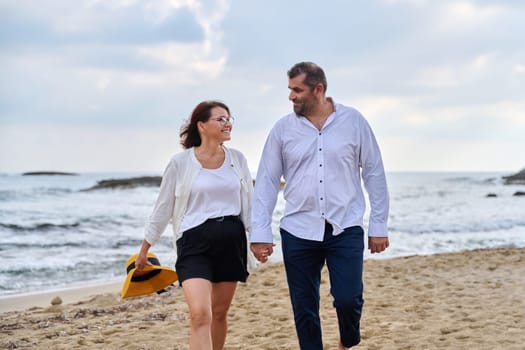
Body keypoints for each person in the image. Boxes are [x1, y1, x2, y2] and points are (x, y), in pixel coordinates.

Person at [250, 62, 390, 350]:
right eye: (290, 89)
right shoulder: (282, 129)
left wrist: (378, 226)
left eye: (297, 90)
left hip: (345, 226)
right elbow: (266, 181)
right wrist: (260, 233)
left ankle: (347, 340)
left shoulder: (354, 122)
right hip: (298, 229)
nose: (291, 96)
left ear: (319, 89)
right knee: (304, 307)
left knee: (349, 299)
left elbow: (374, 173)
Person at [134, 100, 254, 350]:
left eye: (229, 118)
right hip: (193, 244)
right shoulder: (180, 163)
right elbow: (163, 208)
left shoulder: (238, 160)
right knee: (200, 314)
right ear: (201, 125)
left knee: (219, 315)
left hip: (231, 243)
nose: (227, 123)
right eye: (220, 119)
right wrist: (145, 248)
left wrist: (259, 239)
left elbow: (250, 204)